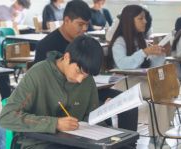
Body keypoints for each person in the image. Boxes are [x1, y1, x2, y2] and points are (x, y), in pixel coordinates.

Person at [34, 0, 138, 136]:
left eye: (87, 25)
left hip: (89, 90)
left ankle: (127, 144)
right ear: (66, 20)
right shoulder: (46, 45)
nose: (84, 29)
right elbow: (43, 84)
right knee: (101, 110)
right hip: (63, 98)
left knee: (125, 104)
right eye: (80, 24)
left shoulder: (85, 42)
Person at [0, 35, 103, 148]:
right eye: (78, 71)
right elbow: (7, 117)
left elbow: (91, 118)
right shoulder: (38, 74)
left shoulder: (87, 80)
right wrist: (55, 123)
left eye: (85, 75)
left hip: (76, 142)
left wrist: (104, 111)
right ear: (67, 57)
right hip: (39, 143)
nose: (80, 80)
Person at [107, 4, 172, 142]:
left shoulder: (139, 40)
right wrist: (144, 52)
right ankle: (158, 137)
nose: (145, 21)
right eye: (141, 18)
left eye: (145, 18)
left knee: (169, 89)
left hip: (138, 82)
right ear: (130, 20)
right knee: (161, 90)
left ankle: (160, 135)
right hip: (121, 84)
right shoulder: (120, 41)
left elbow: (153, 67)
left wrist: (160, 54)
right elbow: (124, 64)